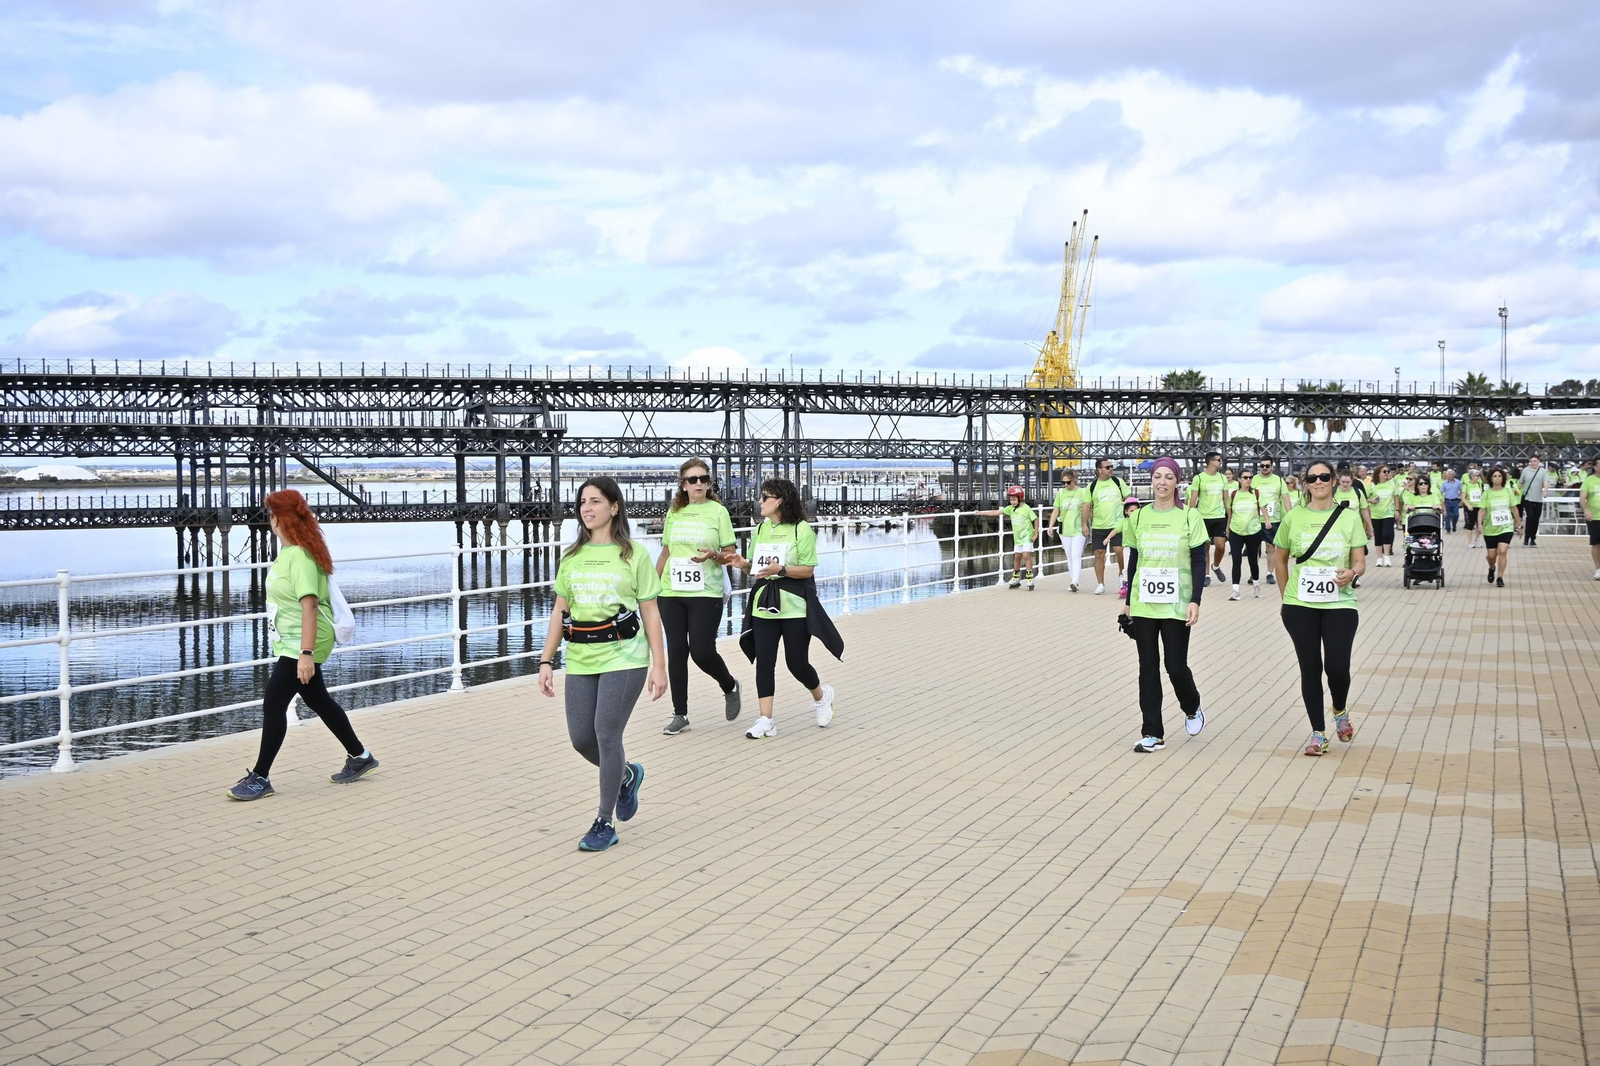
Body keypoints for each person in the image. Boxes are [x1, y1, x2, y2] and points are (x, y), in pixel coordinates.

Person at [537, 476, 667, 852]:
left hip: (624, 655)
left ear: (615, 507)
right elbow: (560, 611)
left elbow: (651, 613)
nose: (587, 508)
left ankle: (604, 821)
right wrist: (546, 660)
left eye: (595, 501)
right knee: (582, 739)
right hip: (580, 656)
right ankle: (626, 775)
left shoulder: (634, 555)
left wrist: (660, 666)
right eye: (582, 503)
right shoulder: (571, 557)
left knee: (607, 733)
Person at [227, 491, 377, 801]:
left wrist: (305, 655)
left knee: (274, 703)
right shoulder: (290, 552)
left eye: (270, 515)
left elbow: (309, 607)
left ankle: (260, 777)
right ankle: (360, 756)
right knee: (317, 698)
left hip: (303, 642)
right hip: (292, 640)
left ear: (277, 519)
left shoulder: (301, 557)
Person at [726, 478, 840, 738]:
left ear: (780, 501)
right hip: (764, 604)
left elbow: (808, 570)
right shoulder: (761, 529)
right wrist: (742, 563)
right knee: (764, 661)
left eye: (765, 497)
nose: (760, 501)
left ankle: (822, 697)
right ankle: (766, 720)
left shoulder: (801, 529)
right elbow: (755, 568)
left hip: (795, 606)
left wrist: (783, 569)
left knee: (796, 663)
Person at [1272, 459, 1366, 757]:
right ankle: (1318, 732)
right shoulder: (1293, 517)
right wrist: (1287, 596)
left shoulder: (1348, 518)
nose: (1319, 482)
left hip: (1340, 602)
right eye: (1312, 478)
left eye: (1324, 476)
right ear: (1305, 483)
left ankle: (1339, 709)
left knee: (1337, 667)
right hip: (1301, 604)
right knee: (1310, 667)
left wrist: (1352, 574)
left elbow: (1360, 560)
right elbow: (1280, 558)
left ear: (1334, 480)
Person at [1120, 457, 1207, 753]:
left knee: (1175, 665)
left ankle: (1191, 705)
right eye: (1158, 476)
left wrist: (1195, 599)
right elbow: (1134, 560)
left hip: (1177, 601)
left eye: (1169, 477)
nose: (1162, 482)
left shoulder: (1189, 517)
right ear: (1151, 480)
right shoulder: (1139, 517)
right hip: (1144, 602)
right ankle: (1152, 732)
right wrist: (1128, 601)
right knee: (1148, 666)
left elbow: (1198, 560)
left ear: (1176, 482)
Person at [655, 459, 741, 736]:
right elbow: (666, 552)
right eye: (693, 480)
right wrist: (651, 586)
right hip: (672, 592)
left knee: (702, 651)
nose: (699, 484)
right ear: (683, 484)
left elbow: (731, 554)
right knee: (677, 652)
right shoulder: (674, 513)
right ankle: (680, 714)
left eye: (704, 479)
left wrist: (713, 555)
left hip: (706, 591)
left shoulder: (718, 512)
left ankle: (729, 685)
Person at [974, 485, 1038, 589]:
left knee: (1026, 556)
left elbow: (1035, 519)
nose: (1012, 502)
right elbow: (996, 512)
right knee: (1017, 557)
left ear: (1020, 498)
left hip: (1027, 537)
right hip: (1018, 538)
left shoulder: (1026, 509)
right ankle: (1016, 577)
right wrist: (981, 513)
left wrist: (1035, 534)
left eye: (1014, 499)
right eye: (1010, 500)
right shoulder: (1010, 509)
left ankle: (1029, 576)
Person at [1087, 459, 1130, 595]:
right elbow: (1087, 506)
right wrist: (1084, 523)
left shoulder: (1118, 482)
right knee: (1099, 555)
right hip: (1099, 525)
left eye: (1111, 467)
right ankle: (1100, 584)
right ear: (1099, 470)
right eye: (1107, 467)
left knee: (1120, 552)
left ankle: (1122, 579)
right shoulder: (1092, 486)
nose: (1111, 469)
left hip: (1117, 524)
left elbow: (1129, 499)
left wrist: (1128, 515)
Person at [1047, 468, 1091, 592]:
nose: (1066, 485)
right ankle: (1073, 580)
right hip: (1064, 527)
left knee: (1076, 555)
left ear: (1075, 480)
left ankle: (1075, 581)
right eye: (1063, 482)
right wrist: (1051, 525)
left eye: (1068, 482)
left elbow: (1087, 508)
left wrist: (1085, 524)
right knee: (1069, 556)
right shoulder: (1061, 493)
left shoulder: (1082, 492)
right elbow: (1056, 510)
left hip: (1078, 528)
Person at [1479, 467, 1522, 588]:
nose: (1497, 478)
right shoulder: (1487, 493)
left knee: (1502, 551)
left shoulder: (1508, 491)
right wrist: (1479, 525)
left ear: (1503, 478)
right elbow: (1481, 510)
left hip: (1506, 526)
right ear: (1490, 479)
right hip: (1490, 527)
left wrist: (1519, 525)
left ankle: (1500, 577)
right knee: (1492, 556)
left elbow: (1514, 508)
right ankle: (1492, 567)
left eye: (1499, 476)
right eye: (1494, 476)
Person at [1192, 451, 1230, 587]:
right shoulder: (1199, 478)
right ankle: (1206, 575)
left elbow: (1226, 499)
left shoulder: (1222, 478)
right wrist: (1191, 517)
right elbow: (1193, 499)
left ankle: (1216, 566)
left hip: (1219, 517)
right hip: (1203, 517)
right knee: (1205, 548)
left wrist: (1229, 518)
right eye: (1219, 460)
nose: (1221, 462)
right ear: (1211, 462)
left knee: (1220, 546)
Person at [1227, 468, 1264, 599]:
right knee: (1236, 560)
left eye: (1250, 477)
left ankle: (1256, 585)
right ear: (1239, 479)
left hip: (1253, 531)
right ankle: (1235, 591)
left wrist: (1268, 522)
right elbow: (1230, 512)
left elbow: (1263, 508)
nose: (1248, 479)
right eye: (1245, 477)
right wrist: (1228, 528)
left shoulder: (1256, 493)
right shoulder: (1234, 494)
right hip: (1236, 530)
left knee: (1252, 560)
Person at [1333, 467, 1373, 587]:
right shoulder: (1333, 492)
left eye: (1348, 482)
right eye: (1343, 482)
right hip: (1337, 527)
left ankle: (1354, 574)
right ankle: (1341, 573)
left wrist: (1370, 527)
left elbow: (1364, 511)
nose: (1345, 484)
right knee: (1342, 552)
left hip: (1355, 528)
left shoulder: (1357, 492)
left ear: (1352, 481)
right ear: (1339, 480)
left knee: (1355, 553)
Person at [1254, 459, 1288, 585]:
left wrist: (1290, 516)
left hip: (1273, 518)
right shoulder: (1254, 479)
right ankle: (1254, 573)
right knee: (1254, 548)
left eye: (1267, 465)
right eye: (1262, 465)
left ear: (1272, 466)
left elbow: (1285, 498)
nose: (1264, 467)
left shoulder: (1279, 480)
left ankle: (1269, 573)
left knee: (1271, 546)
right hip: (1255, 518)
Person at [1367, 464, 1399, 567]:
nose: (1387, 473)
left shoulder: (1392, 484)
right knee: (1378, 536)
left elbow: (1396, 497)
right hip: (1376, 514)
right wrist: (1372, 500)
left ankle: (1386, 556)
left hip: (1388, 513)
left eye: (1388, 471)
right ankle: (1379, 558)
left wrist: (1397, 510)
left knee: (1387, 534)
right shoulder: (1372, 485)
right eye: (1384, 472)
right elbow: (1365, 497)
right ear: (1378, 474)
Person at [1112, 495, 1141, 598]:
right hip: (1128, 547)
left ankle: (1137, 587)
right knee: (1126, 567)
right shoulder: (1124, 522)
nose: (1133, 513)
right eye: (1131, 510)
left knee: (1139, 566)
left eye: (1136, 510)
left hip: (1140, 547)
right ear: (1126, 512)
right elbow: (1115, 530)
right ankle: (1125, 585)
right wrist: (1107, 538)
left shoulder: (1141, 522)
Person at [1519, 454, 1548, 546]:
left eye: (1534, 461)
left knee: (1536, 519)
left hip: (1538, 499)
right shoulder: (1525, 470)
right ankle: (1526, 538)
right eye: (1531, 461)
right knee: (1530, 517)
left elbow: (1546, 482)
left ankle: (1533, 538)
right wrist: (1515, 492)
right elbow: (1520, 483)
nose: (1532, 463)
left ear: (1539, 462)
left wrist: (1545, 491)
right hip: (1528, 497)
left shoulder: (1543, 471)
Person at [1582, 454, 1600, 580]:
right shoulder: (1589, 480)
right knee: (1596, 543)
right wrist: (1586, 510)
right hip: (1595, 517)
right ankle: (1598, 568)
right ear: (1595, 467)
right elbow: (1582, 498)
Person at [1461, 461, 1485, 548]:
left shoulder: (1480, 484)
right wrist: (1468, 505)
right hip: (1470, 507)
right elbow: (1463, 497)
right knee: (1469, 524)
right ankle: (1470, 541)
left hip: (1479, 507)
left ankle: (1477, 539)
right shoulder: (1466, 485)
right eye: (1476, 476)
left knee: (1479, 524)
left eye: (1478, 476)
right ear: (1471, 476)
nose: (1478, 477)